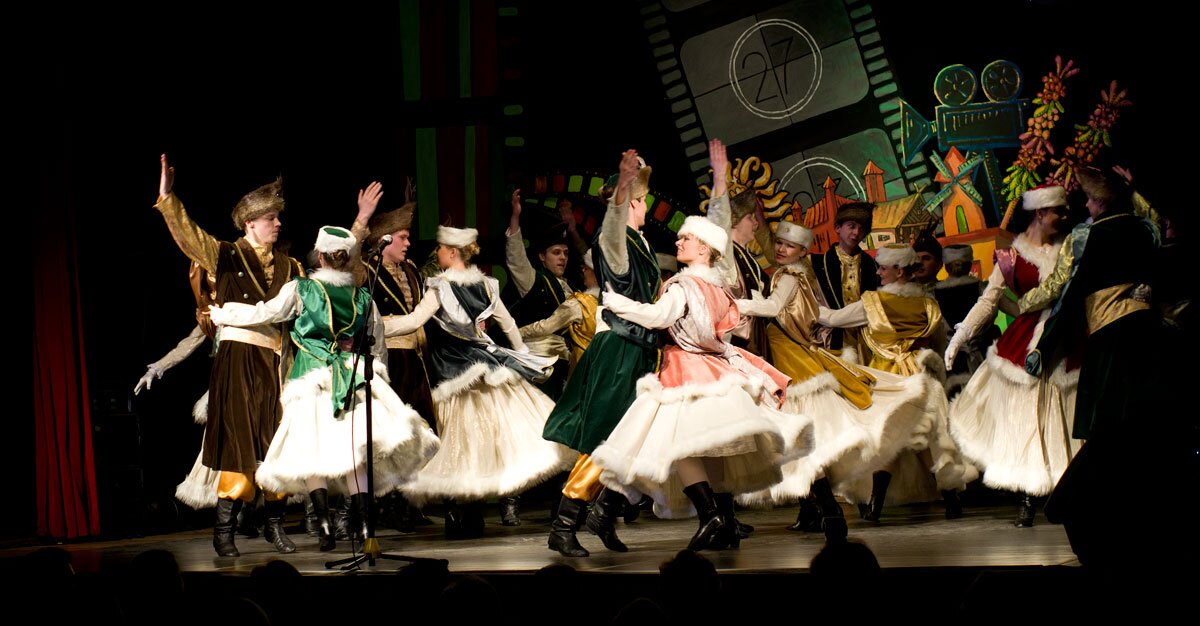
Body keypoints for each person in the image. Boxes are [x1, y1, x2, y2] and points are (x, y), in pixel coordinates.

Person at [209, 226, 440, 551]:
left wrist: (227, 313)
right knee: (355, 454)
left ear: (320, 257)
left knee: (313, 452)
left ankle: (324, 524)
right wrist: (377, 376)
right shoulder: (362, 297)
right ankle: (364, 528)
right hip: (351, 377)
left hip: (311, 380)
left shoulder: (302, 289)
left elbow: (267, 312)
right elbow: (376, 344)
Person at [591, 216, 807, 550]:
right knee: (706, 446)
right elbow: (731, 331)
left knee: (670, 442)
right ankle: (723, 523)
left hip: (685, 369)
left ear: (704, 249)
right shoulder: (718, 290)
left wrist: (618, 304)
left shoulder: (684, 286)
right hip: (715, 368)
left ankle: (710, 516)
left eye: (686, 239)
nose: (678, 243)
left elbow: (660, 316)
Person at [1018, 167, 1189, 566]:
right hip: (1149, 337)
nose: (1086, 205)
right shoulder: (1144, 229)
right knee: (1143, 431)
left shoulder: (1096, 234)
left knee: (1109, 432)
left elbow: (1073, 291)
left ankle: (1083, 513)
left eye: (1090, 199)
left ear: (1099, 202)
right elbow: (1162, 257)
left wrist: (1045, 345)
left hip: (1114, 342)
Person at [734, 222, 931, 539]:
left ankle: (827, 508)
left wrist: (738, 304)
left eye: (789, 245)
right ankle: (817, 508)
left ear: (802, 251)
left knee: (796, 431)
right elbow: (815, 314)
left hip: (791, 355)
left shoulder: (791, 276)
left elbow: (779, 308)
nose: (782, 249)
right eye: (779, 243)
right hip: (789, 350)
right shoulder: (798, 277)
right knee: (797, 434)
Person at [153, 154, 304, 556]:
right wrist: (169, 200)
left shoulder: (291, 266)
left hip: (276, 364)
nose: (278, 223)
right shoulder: (225, 255)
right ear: (250, 223)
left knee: (277, 443)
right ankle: (224, 531)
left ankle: (274, 524)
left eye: (278, 217)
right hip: (238, 362)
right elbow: (189, 236)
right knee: (239, 445)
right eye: (270, 218)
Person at [380, 225, 573, 538]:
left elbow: (415, 321)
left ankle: (459, 511)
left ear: (452, 252)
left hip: (452, 369)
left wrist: (376, 326)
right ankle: (471, 512)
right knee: (483, 440)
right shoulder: (486, 285)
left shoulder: (440, 286)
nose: (437, 253)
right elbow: (508, 324)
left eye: (440, 248)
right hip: (483, 363)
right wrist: (521, 356)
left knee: (458, 441)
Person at [542, 149, 662, 557]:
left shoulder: (640, 242)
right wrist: (624, 184)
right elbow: (611, 229)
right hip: (619, 350)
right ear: (634, 202)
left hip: (640, 349)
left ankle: (604, 513)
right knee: (606, 436)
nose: (646, 205)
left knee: (639, 438)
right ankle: (563, 524)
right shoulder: (616, 240)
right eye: (641, 199)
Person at [945, 184, 1079, 526]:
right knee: (1026, 420)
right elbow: (989, 301)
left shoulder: (1070, 249)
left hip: (1064, 340)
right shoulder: (1010, 257)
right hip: (1025, 344)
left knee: (1063, 417)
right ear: (1040, 213)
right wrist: (961, 335)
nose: (1064, 217)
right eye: (1058, 211)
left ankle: (1069, 492)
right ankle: (1028, 497)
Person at [819, 244, 975, 521]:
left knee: (887, 439)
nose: (878, 273)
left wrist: (799, 302)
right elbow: (939, 344)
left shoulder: (874, 304)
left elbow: (833, 319)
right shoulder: (928, 304)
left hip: (887, 379)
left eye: (883, 268)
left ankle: (875, 506)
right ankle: (951, 500)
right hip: (921, 377)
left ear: (899, 271)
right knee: (925, 439)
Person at [351, 182, 440, 532]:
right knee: (392, 435)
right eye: (401, 237)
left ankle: (409, 501)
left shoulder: (412, 271)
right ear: (384, 240)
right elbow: (348, 265)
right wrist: (362, 219)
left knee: (421, 432)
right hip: (390, 362)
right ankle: (386, 503)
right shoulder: (368, 271)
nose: (407, 243)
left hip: (415, 362)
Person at [811, 202, 879, 363]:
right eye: (851, 226)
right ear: (838, 228)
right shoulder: (817, 264)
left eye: (861, 228)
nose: (856, 232)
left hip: (865, 339)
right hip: (830, 339)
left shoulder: (873, 266)